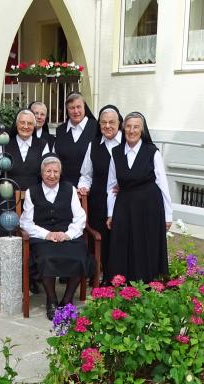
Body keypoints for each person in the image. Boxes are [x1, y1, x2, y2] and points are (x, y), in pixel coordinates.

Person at [20, 155, 93, 320]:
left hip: (68, 236)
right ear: (42, 172)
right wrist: (47, 234)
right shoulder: (33, 191)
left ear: (60, 173)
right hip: (43, 238)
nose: (52, 175)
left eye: (56, 171)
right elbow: (26, 222)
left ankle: (67, 301)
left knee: (79, 256)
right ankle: (51, 300)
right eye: (48, 171)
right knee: (46, 257)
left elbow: (80, 218)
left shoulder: (70, 189)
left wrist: (67, 234)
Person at [105, 112, 172, 283]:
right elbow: (111, 186)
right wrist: (111, 213)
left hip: (149, 206)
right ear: (123, 128)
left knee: (146, 246)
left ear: (142, 130)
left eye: (136, 127)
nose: (132, 130)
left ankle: (148, 286)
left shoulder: (152, 152)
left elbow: (163, 184)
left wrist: (168, 215)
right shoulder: (116, 152)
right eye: (128, 126)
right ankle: (123, 284)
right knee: (123, 245)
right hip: (125, 206)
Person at [0, 109, 50, 291]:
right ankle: (9, 275)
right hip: (8, 196)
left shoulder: (43, 144)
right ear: (16, 124)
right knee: (7, 234)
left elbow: (47, 172)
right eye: (22, 123)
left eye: (29, 123)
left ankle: (32, 277)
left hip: (34, 199)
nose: (25, 126)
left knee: (32, 235)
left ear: (35, 126)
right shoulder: (4, 144)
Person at [77, 104, 123, 286]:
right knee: (101, 240)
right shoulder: (93, 145)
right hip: (98, 200)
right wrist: (82, 187)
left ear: (119, 123)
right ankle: (103, 276)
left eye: (112, 122)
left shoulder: (127, 143)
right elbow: (86, 175)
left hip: (122, 200)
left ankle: (117, 276)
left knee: (118, 239)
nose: (107, 126)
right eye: (103, 122)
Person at [52, 92, 98, 186]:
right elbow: (54, 158)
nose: (76, 111)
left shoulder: (96, 128)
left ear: (84, 106)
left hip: (90, 188)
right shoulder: (60, 130)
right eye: (72, 108)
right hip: (63, 187)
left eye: (78, 106)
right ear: (67, 110)